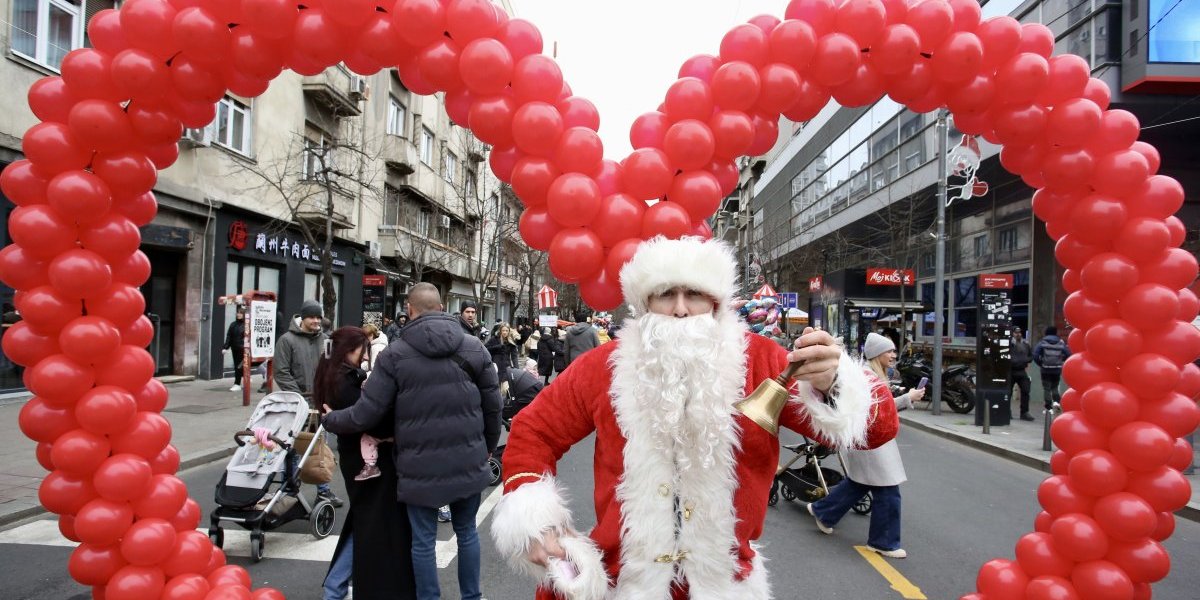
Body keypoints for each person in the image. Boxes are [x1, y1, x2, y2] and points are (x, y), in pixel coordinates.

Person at [490, 237, 898, 599]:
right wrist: (537, 521)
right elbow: (534, 430)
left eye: (695, 294)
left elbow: (876, 431)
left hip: (728, 583)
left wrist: (834, 381)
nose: (682, 310)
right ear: (644, 302)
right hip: (626, 581)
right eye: (666, 293)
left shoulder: (761, 360)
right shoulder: (603, 367)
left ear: (717, 302)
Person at [322, 282, 502, 600]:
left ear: (410, 308)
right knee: (466, 532)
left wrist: (329, 418)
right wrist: (486, 447)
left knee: (422, 540)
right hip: (468, 458)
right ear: (443, 307)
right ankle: (471, 597)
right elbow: (493, 407)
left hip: (419, 466)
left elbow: (365, 414)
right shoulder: (475, 348)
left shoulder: (395, 355)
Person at [312, 327, 416, 600]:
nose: (366, 354)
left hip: (357, 459)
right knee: (369, 524)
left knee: (365, 521)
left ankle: (335, 587)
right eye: (363, 348)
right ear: (351, 349)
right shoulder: (344, 381)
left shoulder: (333, 374)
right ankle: (335, 589)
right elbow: (369, 417)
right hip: (368, 463)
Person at [808, 332, 918, 559]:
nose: (893, 355)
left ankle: (823, 511)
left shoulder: (873, 375)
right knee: (888, 491)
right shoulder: (867, 376)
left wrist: (907, 398)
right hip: (872, 444)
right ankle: (883, 542)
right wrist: (907, 399)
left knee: (859, 484)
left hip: (871, 443)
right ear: (878, 354)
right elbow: (876, 410)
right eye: (889, 351)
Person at [276, 299, 342, 508]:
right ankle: (290, 489)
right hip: (296, 405)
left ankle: (323, 491)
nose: (316, 321)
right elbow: (281, 373)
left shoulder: (327, 341)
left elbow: (334, 368)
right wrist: (299, 398)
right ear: (302, 318)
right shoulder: (286, 341)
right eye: (312, 317)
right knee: (294, 448)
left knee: (318, 448)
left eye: (318, 317)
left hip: (319, 403)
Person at [1033, 326, 1071, 411]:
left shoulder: (1042, 342)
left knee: (1047, 388)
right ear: (1055, 332)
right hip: (1056, 369)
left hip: (1045, 369)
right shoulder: (1061, 342)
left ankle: (1048, 405)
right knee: (1055, 386)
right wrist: (1061, 360)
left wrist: (1040, 363)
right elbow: (1068, 354)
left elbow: (1035, 355)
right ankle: (1057, 402)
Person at [1009, 327, 1034, 421]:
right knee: (1008, 392)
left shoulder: (1025, 344)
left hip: (1021, 370)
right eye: (1016, 332)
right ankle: (1007, 411)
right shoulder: (1009, 343)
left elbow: (1031, 356)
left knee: (1026, 390)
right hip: (1011, 370)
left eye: (1019, 332)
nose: (1018, 334)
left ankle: (1024, 412)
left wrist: (1025, 360)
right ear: (1012, 333)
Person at [223, 308, 247, 392]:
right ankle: (243, 379)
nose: (238, 314)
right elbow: (229, 336)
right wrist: (225, 347)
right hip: (235, 348)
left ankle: (237, 383)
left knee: (239, 366)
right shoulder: (233, 324)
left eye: (240, 313)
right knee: (238, 366)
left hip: (243, 349)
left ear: (244, 314)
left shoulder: (247, 324)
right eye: (238, 312)